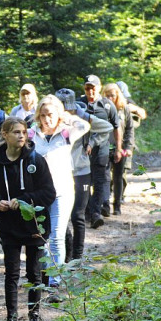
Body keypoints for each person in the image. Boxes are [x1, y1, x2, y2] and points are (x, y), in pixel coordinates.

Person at [0, 117, 56, 321]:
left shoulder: (35, 160)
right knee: (11, 273)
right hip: (9, 226)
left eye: (23, 132)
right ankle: (11, 319)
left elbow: (49, 193)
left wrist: (23, 200)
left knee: (34, 273)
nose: (21, 136)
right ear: (4, 135)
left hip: (35, 225)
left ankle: (34, 317)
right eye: (16, 132)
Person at [29, 95, 89, 296]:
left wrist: (65, 115)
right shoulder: (32, 135)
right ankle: (46, 274)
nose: (47, 119)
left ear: (58, 115)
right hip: (39, 194)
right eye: (43, 115)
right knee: (42, 236)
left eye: (51, 114)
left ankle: (55, 281)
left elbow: (84, 126)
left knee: (57, 236)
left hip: (62, 191)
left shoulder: (65, 134)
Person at [59, 88, 113, 261]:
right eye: (63, 109)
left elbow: (107, 127)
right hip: (60, 173)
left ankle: (77, 257)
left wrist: (91, 141)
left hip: (81, 170)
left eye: (69, 108)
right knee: (63, 217)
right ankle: (65, 256)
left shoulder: (82, 117)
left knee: (78, 215)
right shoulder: (51, 122)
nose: (67, 112)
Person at [78, 74, 121, 228]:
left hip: (102, 150)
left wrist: (118, 148)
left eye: (93, 88)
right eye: (87, 88)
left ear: (99, 88)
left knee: (100, 182)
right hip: (83, 152)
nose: (90, 91)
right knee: (84, 184)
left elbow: (116, 127)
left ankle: (96, 212)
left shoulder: (108, 105)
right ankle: (88, 211)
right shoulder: (78, 104)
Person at [103, 82, 143, 216]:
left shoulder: (124, 108)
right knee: (105, 177)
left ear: (117, 95)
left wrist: (128, 147)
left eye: (112, 96)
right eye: (107, 96)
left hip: (121, 148)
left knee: (118, 177)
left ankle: (117, 204)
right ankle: (105, 204)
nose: (110, 98)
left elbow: (130, 129)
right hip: (105, 147)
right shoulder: (102, 108)